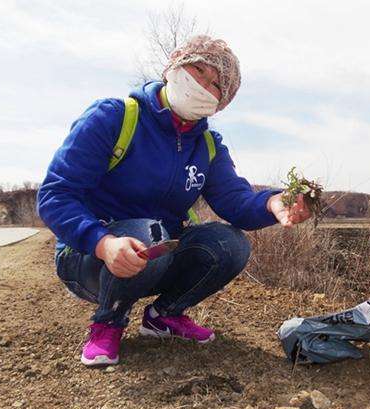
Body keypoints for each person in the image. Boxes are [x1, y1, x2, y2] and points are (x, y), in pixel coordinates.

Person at [37, 35, 312, 367]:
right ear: (176, 65)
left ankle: (163, 315)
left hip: (157, 254)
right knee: (150, 232)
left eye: (216, 87)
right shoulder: (114, 117)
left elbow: (236, 203)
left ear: (221, 103)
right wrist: (103, 243)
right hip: (88, 256)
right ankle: (107, 322)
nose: (204, 86)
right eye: (198, 70)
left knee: (231, 244)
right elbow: (55, 194)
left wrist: (272, 203)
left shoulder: (208, 146)